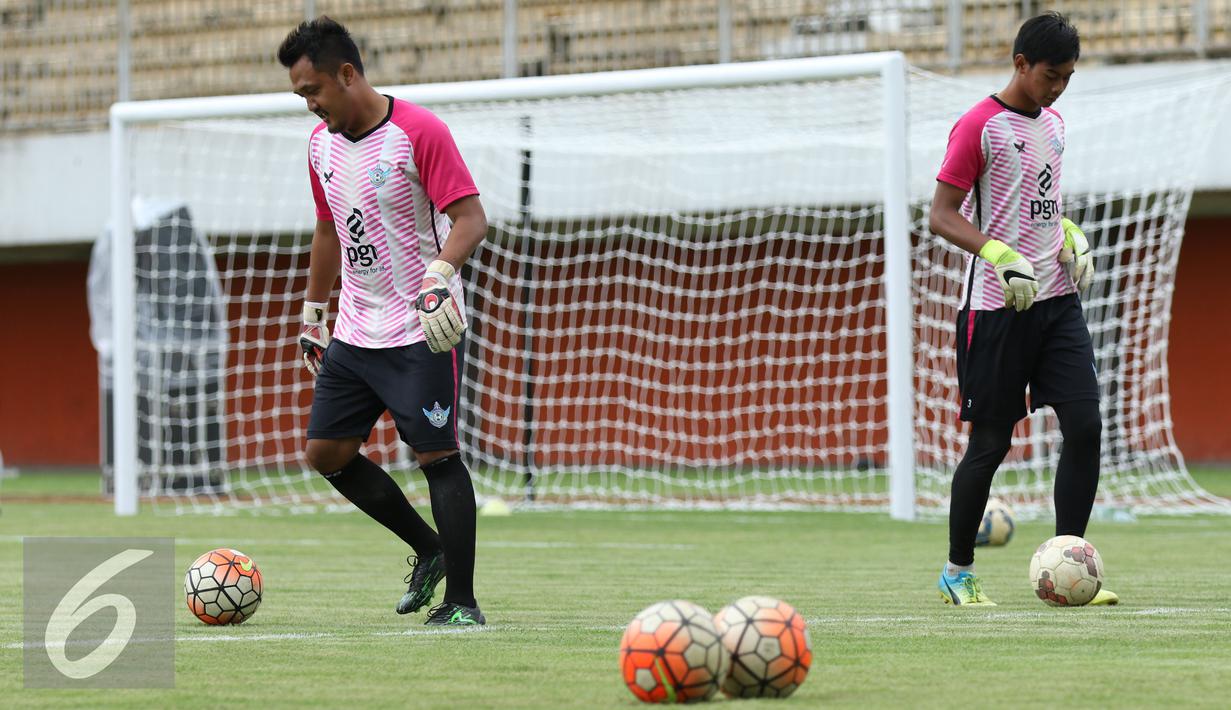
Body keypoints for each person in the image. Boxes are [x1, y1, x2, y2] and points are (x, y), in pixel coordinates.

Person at [278, 16, 489, 625]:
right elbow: (326, 229)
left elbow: (471, 219)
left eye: (312, 91)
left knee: (438, 458)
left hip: (420, 327)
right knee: (327, 453)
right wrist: (314, 311)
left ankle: (462, 605)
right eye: (301, 96)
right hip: (354, 328)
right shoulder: (319, 146)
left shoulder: (419, 131)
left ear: (348, 74)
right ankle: (429, 549)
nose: (310, 105)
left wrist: (438, 278)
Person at [928, 11, 1116, 606]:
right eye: (1050, 75)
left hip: (1057, 305)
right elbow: (941, 214)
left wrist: (1069, 237)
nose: (1058, 87)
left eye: (1068, 77)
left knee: (1085, 426)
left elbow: (1040, 206)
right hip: (996, 307)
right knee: (989, 444)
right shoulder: (978, 126)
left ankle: (1070, 563)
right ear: (1020, 64)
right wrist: (996, 251)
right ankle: (958, 574)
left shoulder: (1056, 125)